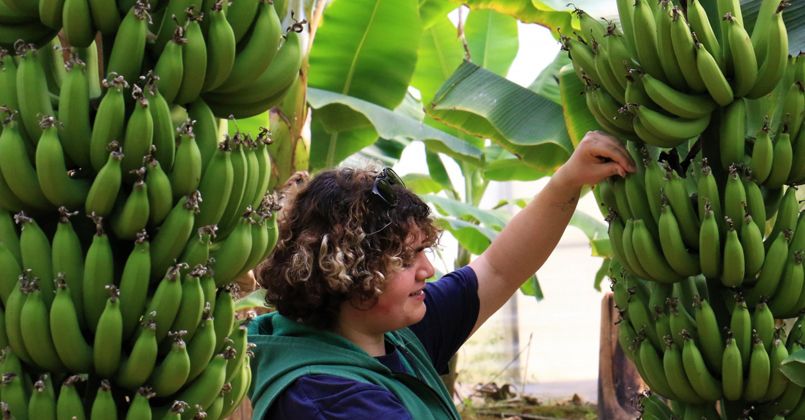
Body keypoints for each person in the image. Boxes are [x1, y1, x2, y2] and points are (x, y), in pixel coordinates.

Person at [247, 130, 636, 419]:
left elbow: (499, 269)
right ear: (346, 273)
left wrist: (569, 179)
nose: (428, 271)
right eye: (405, 260)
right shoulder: (328, 399)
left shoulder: (384, 332)